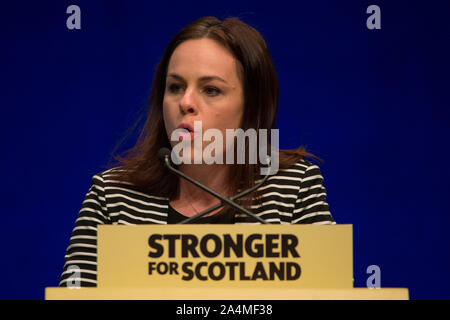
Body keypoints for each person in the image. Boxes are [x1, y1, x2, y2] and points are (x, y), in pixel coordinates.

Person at [59, 16, 335, 287]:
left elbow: (333, 294)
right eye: (175, 87)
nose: (186, 102)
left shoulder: (293, 187)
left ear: (251, 107)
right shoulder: (113, 197)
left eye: (211, 89)